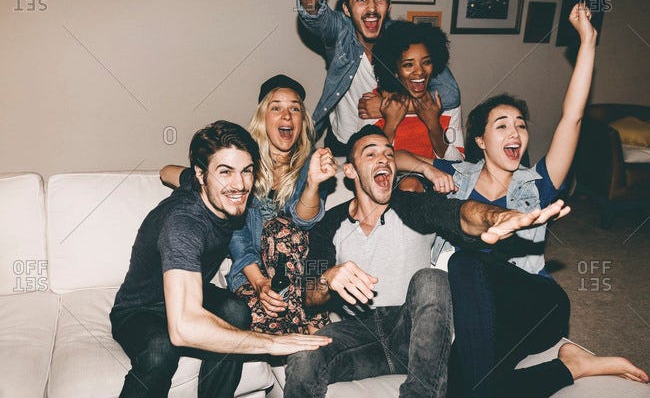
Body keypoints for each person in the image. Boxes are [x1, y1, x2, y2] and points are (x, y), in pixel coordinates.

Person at [397, 5, 649, 398]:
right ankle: (571, 366)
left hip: (539, 305)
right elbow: (395, 158)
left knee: (464, 259)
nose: (515, 132)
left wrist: (588, 41)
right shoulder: (457, 176)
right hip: (486, 316)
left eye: (520, 125)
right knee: (466, 389)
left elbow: (572, 118)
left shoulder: (538, 185)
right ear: (480, 141)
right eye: (502, 125)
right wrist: (428, 170)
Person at [283, 124, 572, 398]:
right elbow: (309, 294)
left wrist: (495, 216)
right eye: (371, 154)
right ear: (350, 170)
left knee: (430, 279)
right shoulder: (329, 223)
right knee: (304, 356)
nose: (384, 160)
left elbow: (460, 213)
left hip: (417, 331)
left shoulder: (410, 205)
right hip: (359, 334)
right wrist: (328, 277)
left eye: (388, 154)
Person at [110, 120, 331, 398]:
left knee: (237, 311)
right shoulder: (183, 224)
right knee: (160, 349)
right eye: (225, 172)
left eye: (246, 171)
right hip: (140, 308)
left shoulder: (209, 187)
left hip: (194, 290)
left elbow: (169, 172)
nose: (239, 185)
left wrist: (169, 171)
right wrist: (271, 343)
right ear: (201, 175)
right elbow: (184, 328)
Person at [161, 75, 337, 335]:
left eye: (295, 109)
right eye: (276, 108)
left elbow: (304, 222)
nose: (286, 116)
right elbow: (237, 234)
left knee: (282, 228)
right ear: (262, 118)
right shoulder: (241, 166)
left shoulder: (313, 165)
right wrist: (261, 283)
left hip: (301, 276)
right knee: (258, 320)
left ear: (302, 120)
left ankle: (303, 324)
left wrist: (312, 184)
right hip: (252, 274)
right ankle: (306, 326)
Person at [297, 0, 462, 158]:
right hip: (341, 141)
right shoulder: (340, 33)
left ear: (389, 6)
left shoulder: (404, 39)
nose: (372, 8)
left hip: (387, 142)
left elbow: (450, 94)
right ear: (347, 9)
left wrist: (387, 106)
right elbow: (311, 11)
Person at [371, 20, 464, 191]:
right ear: (395, 70)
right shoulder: (375, 104)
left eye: (426, 62)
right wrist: (390, 124)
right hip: (389, 185)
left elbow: (458, 164)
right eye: (408, 65)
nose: (419, 71)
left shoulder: (446, 105)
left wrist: (434, 125)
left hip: (440, 186)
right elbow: (369, 162)